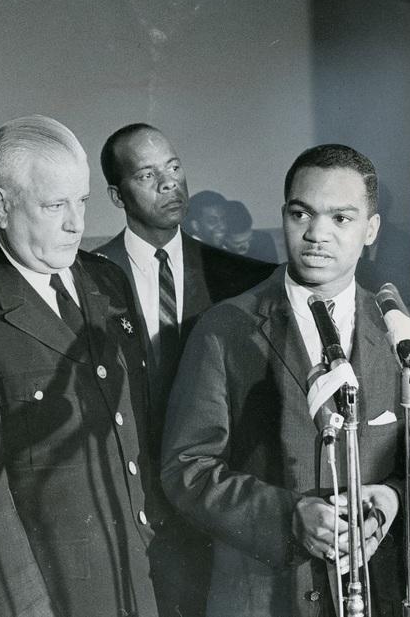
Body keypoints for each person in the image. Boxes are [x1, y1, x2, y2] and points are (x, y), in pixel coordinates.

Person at [0, 115, 160, 617]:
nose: (76, 224)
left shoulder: (107, 281)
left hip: (141, 579)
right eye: (54, 205)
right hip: (56, 596)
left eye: (81, 201)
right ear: (0, 205)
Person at [162, 144, 410, 616]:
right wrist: (287, 517)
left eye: (341, 218)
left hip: (372, 598)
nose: (317, 233)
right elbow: (186, 467)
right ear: (284, 216)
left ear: (371, 230)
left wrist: (392, 498)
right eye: (302, 213)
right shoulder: (225, 326)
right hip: (261, 598)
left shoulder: (398, 330)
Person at [95, 123, 275, 616]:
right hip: (136, 502)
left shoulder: (239, 277)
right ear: (117, 194)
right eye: (148, 175)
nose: (169, 183)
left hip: (219, 500)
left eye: (174, 167)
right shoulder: (86, 279)